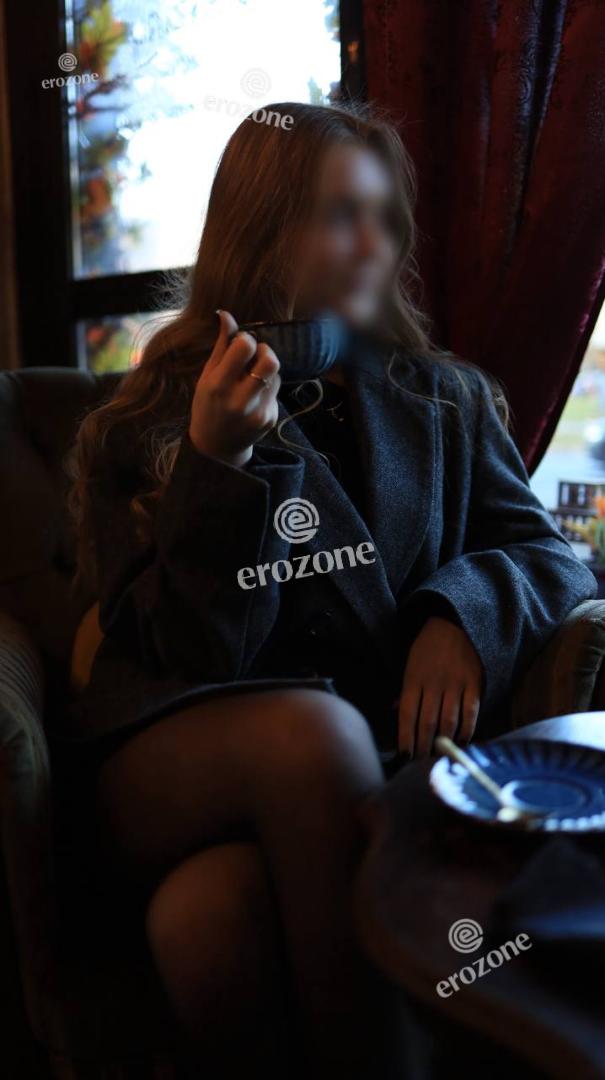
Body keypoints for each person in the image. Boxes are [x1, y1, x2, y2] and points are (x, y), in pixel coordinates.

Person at [50, 102, 596, 1078]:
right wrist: (217, 465)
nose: (378, 244)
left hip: (350, 785)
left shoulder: (441, 398)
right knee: (313, 731)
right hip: (170, 756)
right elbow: (186, 649)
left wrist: (459, 613)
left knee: (205, 924)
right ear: (263, 230)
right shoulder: (143, 418)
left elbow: (550, 556)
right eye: (344, 215)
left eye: (386, 217)